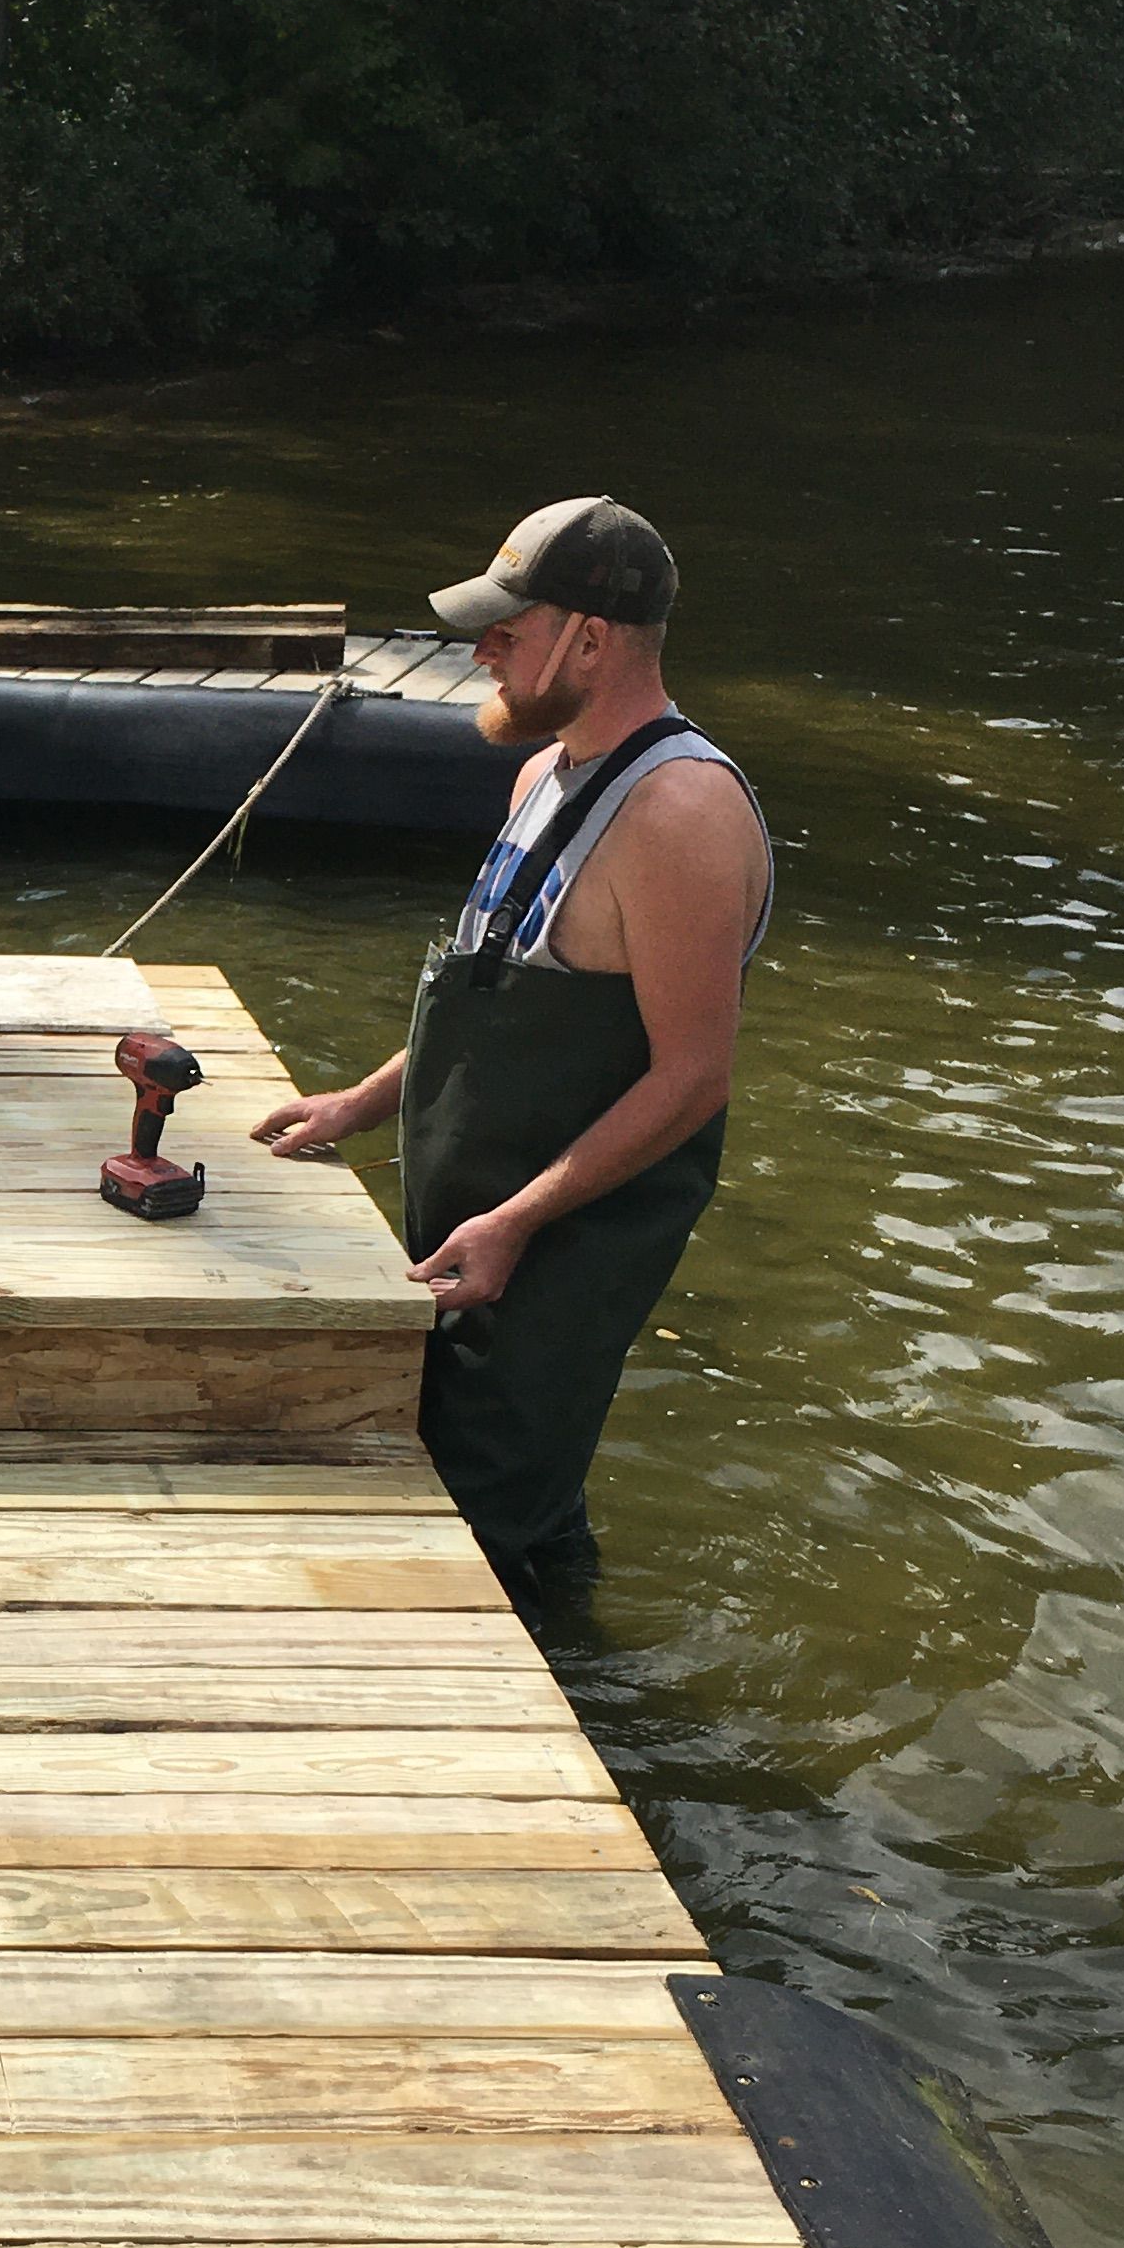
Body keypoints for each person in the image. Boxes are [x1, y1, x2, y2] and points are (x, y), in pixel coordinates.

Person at [251, 495, 771, 1604]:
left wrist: (518, 1223)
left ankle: (583, 1737)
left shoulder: (682, 812)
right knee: (518, 1505)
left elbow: (694, 1076)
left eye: (507, 627)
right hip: (476, 1229)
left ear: (590, 639)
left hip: (559, 1248)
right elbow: (490, 995)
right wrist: (363, 1101)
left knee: (480, 1544)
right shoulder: (541, 774)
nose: (477, 648)